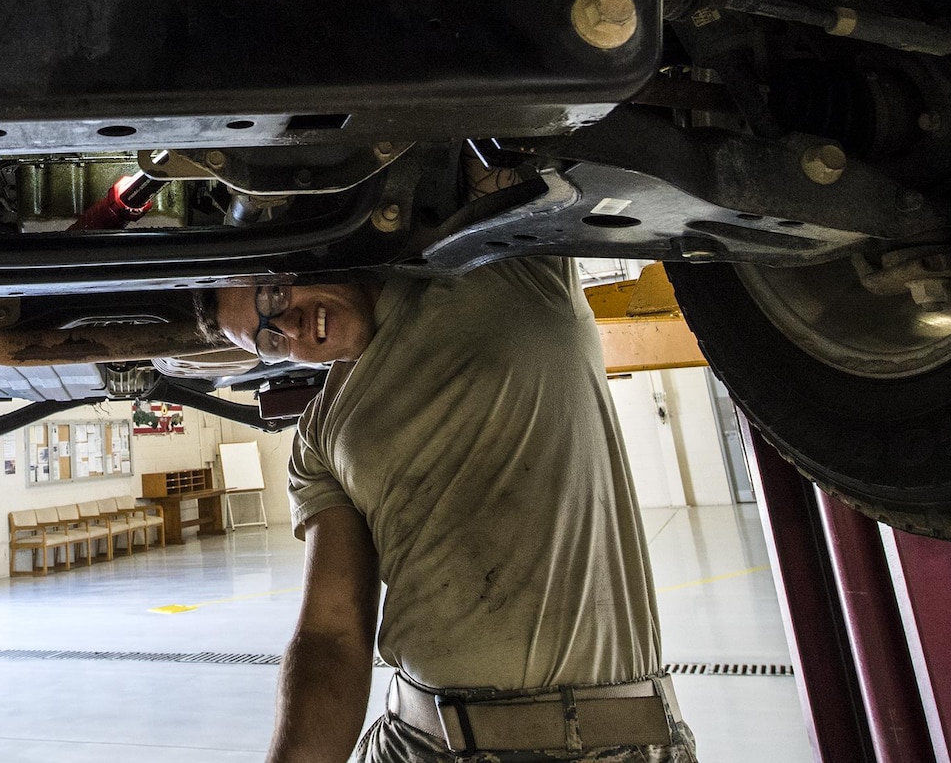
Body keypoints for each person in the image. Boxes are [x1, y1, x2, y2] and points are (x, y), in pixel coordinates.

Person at [211, 260, 691, 763]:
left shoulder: (505, 273)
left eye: (272, 298)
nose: (289, 326)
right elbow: (330, 634)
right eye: (270, 341)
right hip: (420, 745)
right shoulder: (319, 435)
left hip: (606, 743)